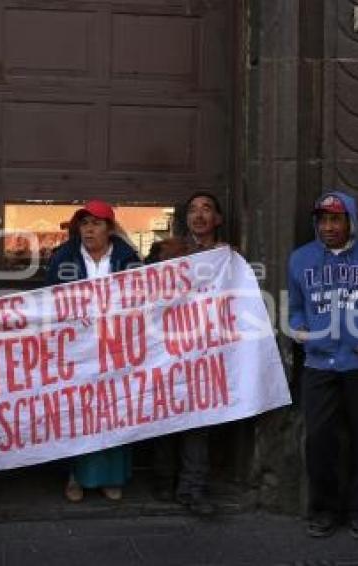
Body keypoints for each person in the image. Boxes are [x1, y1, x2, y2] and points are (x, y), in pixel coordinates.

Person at [287, 191, 358, 540]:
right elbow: (294, 306)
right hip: (320, 362)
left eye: (336, 219)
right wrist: (299, 328)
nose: (328, 227)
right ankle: (323, 511)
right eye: (322, 220)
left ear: (350, 220)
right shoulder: (300, 260)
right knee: (319, 439)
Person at [45, 200, 141, 502]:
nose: (89, 229)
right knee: (78, 412)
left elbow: (142, 299)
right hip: (78, 349)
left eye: (97, 223)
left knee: (114, 410)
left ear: (110, 229)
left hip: (117, 347)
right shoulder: (63, 258)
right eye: (84, 223)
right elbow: (49, 302)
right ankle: (74, 476)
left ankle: (110, 477)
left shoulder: (128, 259)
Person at [146, 190, 227, 517]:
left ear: (218, 219)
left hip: (207, 352)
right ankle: (164, 479)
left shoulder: (228, 257)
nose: (199, 214)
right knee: (167, 416)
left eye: (207, 208)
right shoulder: (166, 251)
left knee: (198, 420)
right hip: (167, 348)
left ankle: (192, 488)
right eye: (193, 209)